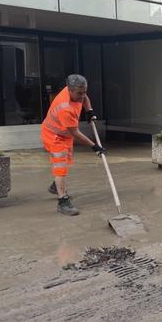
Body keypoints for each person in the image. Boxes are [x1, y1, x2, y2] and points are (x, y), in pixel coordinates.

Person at [40, 74, 105, 216]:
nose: (82, 96)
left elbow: (85, 98)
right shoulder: (65, 108)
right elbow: (75, 133)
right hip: (54, 137)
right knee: (60, 167)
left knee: (67, 161)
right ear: (69, 90)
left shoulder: (77, 91)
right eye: (79, 93)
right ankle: (62, 202)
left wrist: (89, 111)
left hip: (64, 135)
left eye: (84, 92)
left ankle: (55, 186)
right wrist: (94, 146)